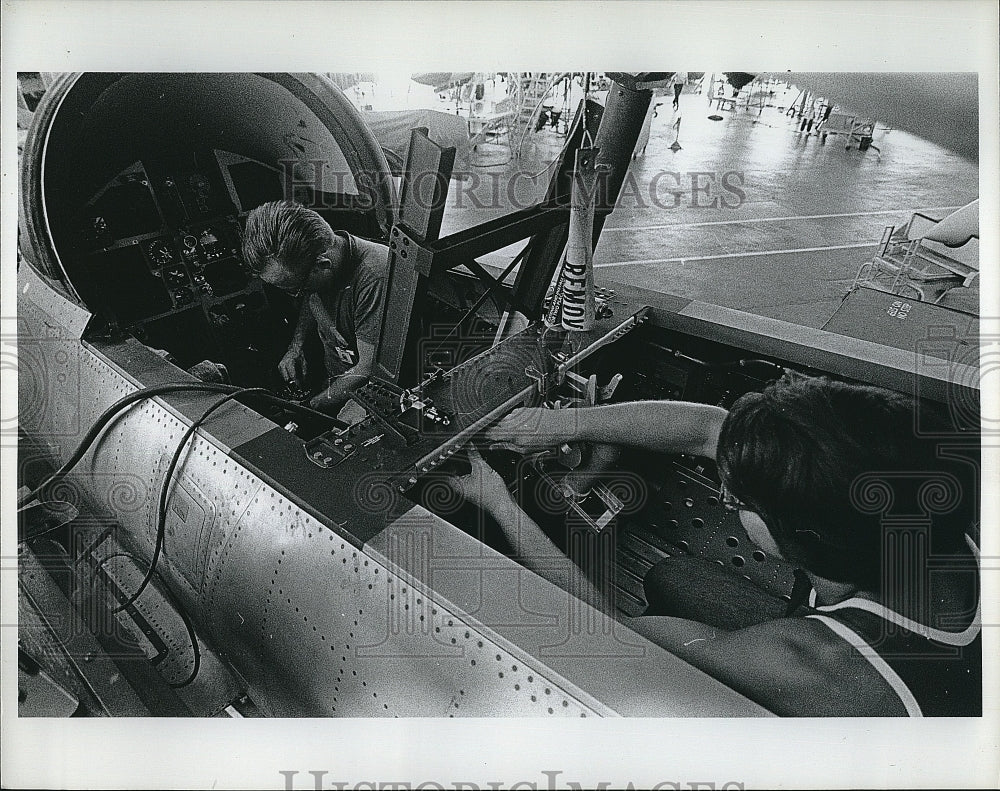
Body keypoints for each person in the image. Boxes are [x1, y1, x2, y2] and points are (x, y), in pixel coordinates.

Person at [451, 373, 980, 716]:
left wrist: (499, 503)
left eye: (740, 502)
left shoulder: (806, 661)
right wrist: (556, 423)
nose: (725, 497)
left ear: (804, 540)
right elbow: (710, 429)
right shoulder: (926, 512)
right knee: (670, 578)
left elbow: (613, 632)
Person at [242, 200, 389, 415]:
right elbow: (312, 296)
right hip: (335, 380)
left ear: (323, 265)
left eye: (294, 289)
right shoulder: (322, 266)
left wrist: (311, 407)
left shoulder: (375, 278)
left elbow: (367, 369)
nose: (295, 295)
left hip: (367, 391)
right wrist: (296, 347)